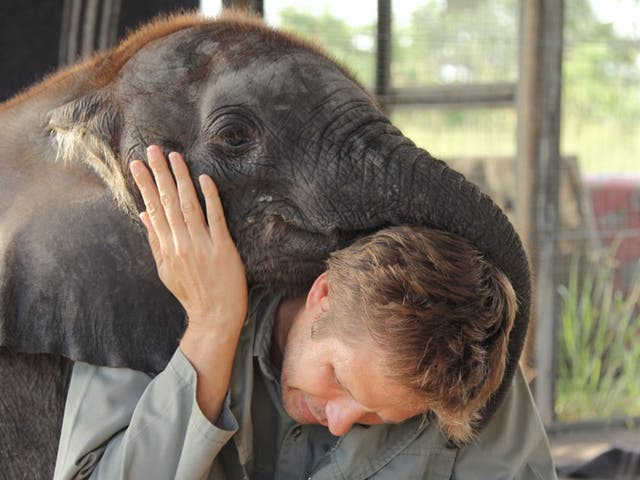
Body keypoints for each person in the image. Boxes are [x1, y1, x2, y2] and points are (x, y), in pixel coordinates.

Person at [53, 146, 557, 479]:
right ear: (323, 294)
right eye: (338, 377)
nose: (339, 422)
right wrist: (213, 325)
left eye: (379, 417)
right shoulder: (149, 305)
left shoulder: (462, 380)